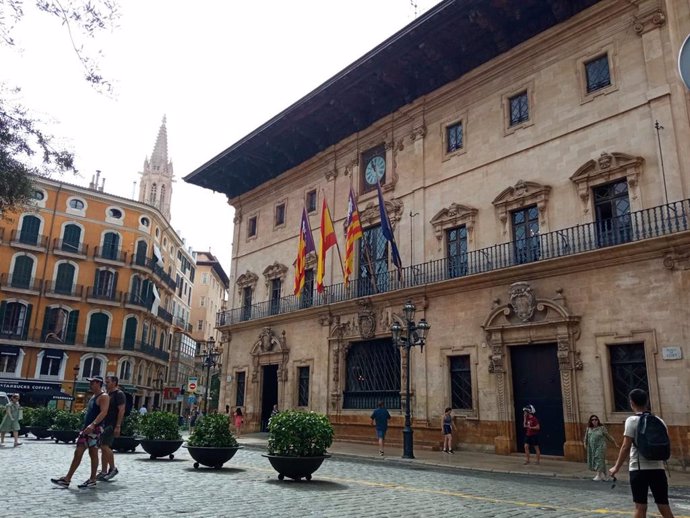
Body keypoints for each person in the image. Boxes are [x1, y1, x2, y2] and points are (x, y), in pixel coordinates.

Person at [609, 389, 674, 518]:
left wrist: (616, 467)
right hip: (658, 468)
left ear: (631, 402)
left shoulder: (632, 421)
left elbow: (625, 446)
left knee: (640, 506)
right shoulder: (659, 420)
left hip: (638, 469)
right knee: (663, 505)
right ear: (647, 402)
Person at [50, 377, 109, 489]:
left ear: (98, 383)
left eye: (92, 382)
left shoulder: (104, 396)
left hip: (95, 428)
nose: (90, 384)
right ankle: (68, 479)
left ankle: (91, 479)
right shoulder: (93, 396)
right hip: (86, 428)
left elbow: (104, 412)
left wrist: (93, 424)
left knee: (93, 453)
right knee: (79, 452)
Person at [98, 375, 126, 482]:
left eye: (108, 382)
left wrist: (118, 425)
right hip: (104, 423)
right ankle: (104, 471)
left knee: (104, 446)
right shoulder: (107, 394)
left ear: (114, 382)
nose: (106, 383)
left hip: (112, 423)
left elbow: (121, 410)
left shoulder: (119, 394)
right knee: (103, 446)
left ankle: (113, 468)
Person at [584, 414, 618, 481]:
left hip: (601, 446)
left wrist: (614, 442)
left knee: (598, 459)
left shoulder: (602, 428)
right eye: (592, 420)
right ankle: (606, 475)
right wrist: (585, 443)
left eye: (596, 419)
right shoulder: (589, 428)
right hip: (592, 447)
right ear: (590, 421)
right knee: (600, 460)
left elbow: (608, 436)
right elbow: (586, 437)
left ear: (598, 420)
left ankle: (598, 475)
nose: (594, 421)